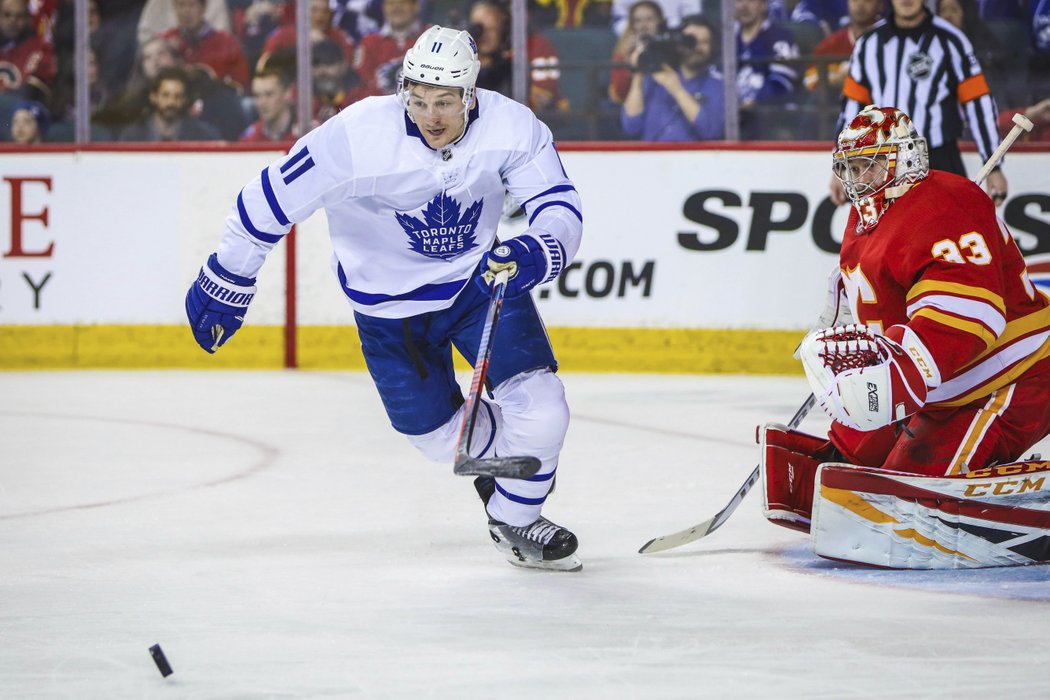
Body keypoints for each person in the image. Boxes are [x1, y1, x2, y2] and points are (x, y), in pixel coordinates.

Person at [183, 26, 584, 572]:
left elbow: (557, 202)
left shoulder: (512, 127)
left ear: (471, 95)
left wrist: (539, 250)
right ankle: (516, 469)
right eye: (419, 101)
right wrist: (228, 275)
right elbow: (270, 198)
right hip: (388, 315)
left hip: (479, 287)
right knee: (441, 442)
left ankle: (515, 520)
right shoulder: (357, 137)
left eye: (445, 102)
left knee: (544, 410)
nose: (431, 116)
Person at [762, 105, 1050, 567]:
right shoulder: (867, 215)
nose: (859, 176)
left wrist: (895, 379)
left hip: (1011, 376)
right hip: (942, 385)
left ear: (902, 159)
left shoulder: (947, 205)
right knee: (856, 452)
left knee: (903, 492)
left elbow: (967, 316)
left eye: (869, 163)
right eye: (852, 167)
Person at [831, 0, 1008, 206]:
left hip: (939, 159)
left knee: (945, 233)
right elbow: (852, 108)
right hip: (882, 162)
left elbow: (978, 103)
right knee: (889, 237)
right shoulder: (868, 44)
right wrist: (842, 164)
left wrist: (994, 166)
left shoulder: (951, 40)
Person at [621, 14, 725, 140]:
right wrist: (638, 75)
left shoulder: (719, 86)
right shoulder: (656, 76)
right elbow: (631, 127)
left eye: (704, 42)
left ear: (713, 47)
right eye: (690, 41)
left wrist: (677, 90)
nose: (696, 47)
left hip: (693, 157)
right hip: (652, 156)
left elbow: (711, 131)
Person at [468, 0, 567, 113]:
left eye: (492, 29)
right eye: (479, 29)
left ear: (503, 30)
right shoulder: (459, 65)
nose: (485, 35)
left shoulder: (513, 66)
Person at [734, 0, 802, 139]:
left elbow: (782, 82)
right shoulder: (728, 40)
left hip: (771, 118)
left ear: (763, 6)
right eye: (738, 1)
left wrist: (755, 102)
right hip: (734, 117)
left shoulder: (780, 37)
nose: (743, 6)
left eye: (750, 1)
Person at [160, 0, 250, 91]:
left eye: (191, 5)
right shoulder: (164, 42)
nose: (186, 11)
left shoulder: (227, 43)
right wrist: (166, 51)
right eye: (181, 5)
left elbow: (240, 85)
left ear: (203, 8)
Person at [118, 65, 223, 140]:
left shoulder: (204, 135)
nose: (171, 102)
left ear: (185, 99)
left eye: (178, 96)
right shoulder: (133, 135)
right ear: (153, 97)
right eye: (165, 95)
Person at [802, 0, 882, 95]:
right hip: (837, 104)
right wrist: (835, 77)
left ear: (880, 5)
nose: (860, 5)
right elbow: (808, 81)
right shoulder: (832, 43)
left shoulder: (891, 40)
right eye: (854, 1)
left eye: (867, 1)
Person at [350, 0, 427, 99]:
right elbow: (360, 85)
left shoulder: (431, 37)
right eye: (391, 3)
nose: (396, 8)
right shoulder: (369, 42)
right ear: (384, 7)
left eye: (403, 3)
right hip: (380, 110)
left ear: (416, 6)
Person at [608, 0, 666, 105]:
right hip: (633, 104)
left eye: (649, 19)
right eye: (637, 20)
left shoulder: (671, 46)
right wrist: (629, 62)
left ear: (660, 21)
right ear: (631, 24)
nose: (643, 25)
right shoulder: (624, 50)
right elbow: (620, 93)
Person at [0, 0, 57, 104]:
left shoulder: (41, 49)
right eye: (7, 15)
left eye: (19, 16)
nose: (13, 20)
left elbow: (42, 94)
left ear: (28, 19)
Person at [239, 66, 297, 141]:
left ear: (287, 93)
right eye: (257, 96)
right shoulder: (249, 139)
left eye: (269, 94)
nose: (262, 103)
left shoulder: (308, 132)